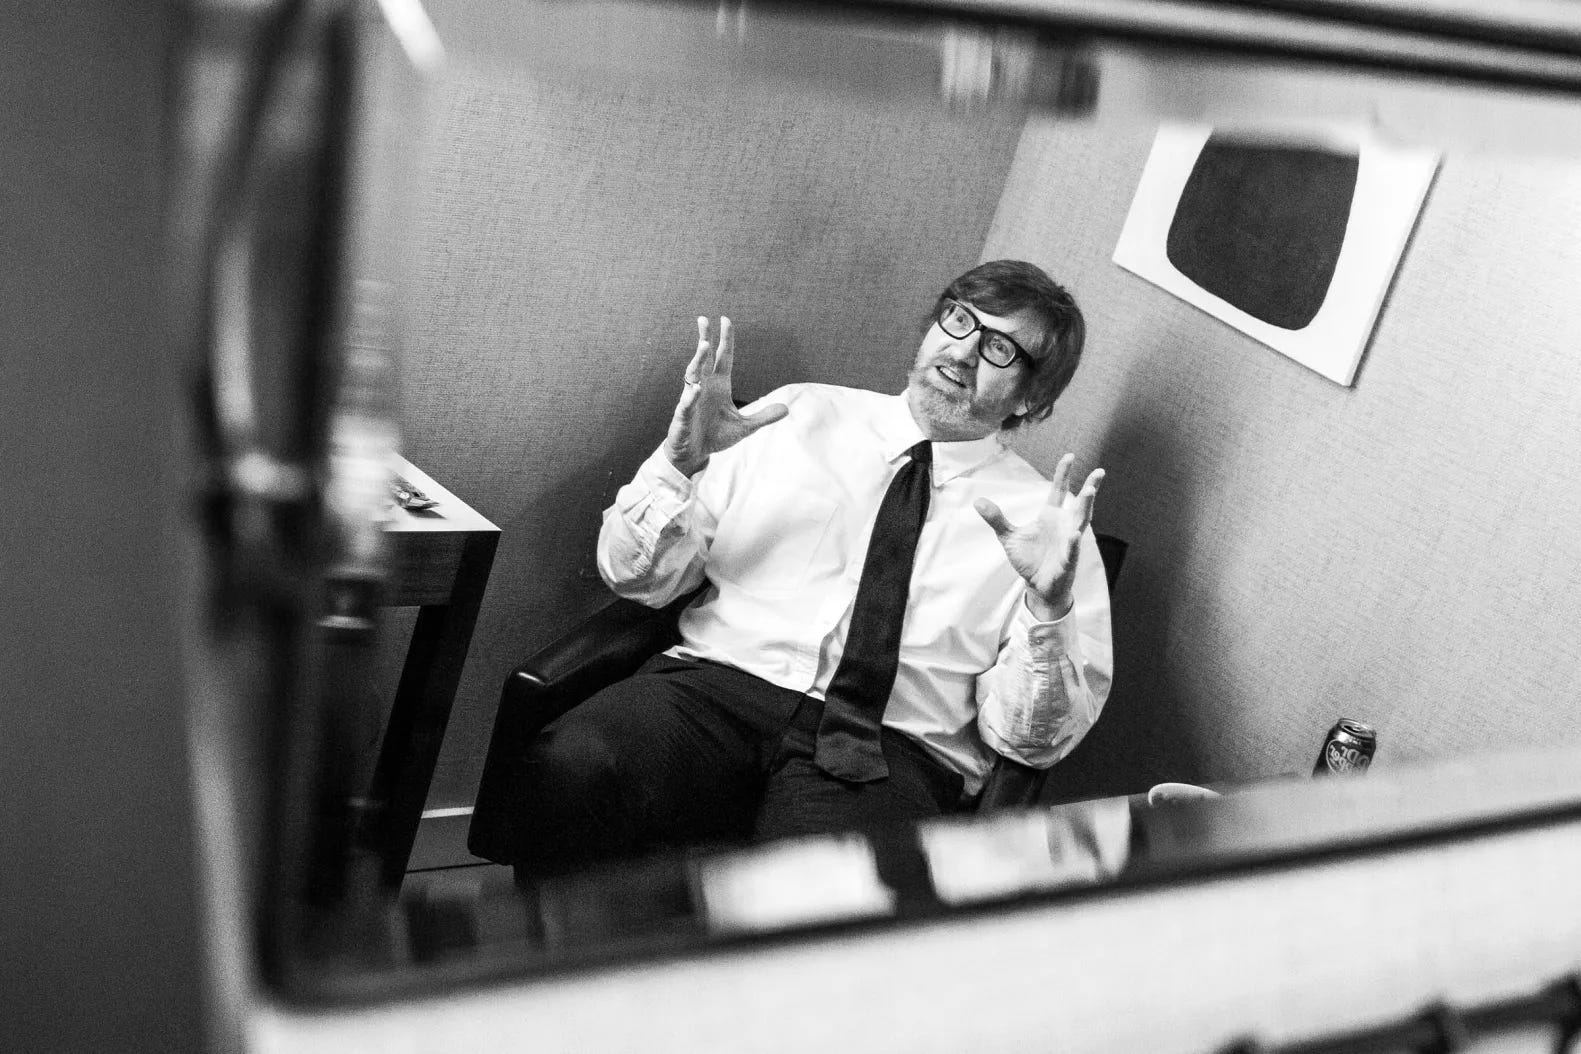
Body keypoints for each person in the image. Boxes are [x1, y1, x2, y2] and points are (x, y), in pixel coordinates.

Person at [511, 259, 1112, 877]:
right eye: (958, 320)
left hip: (888, 749)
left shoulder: (1047, 527)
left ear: (1033, 396)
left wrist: (1048, 608)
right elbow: (633, 578)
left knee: (827, 891)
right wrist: (678, 465)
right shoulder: (796, 415)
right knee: (575, 765)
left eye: (999, 348)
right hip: (715, 689)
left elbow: (1030, 743)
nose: (961, 352)